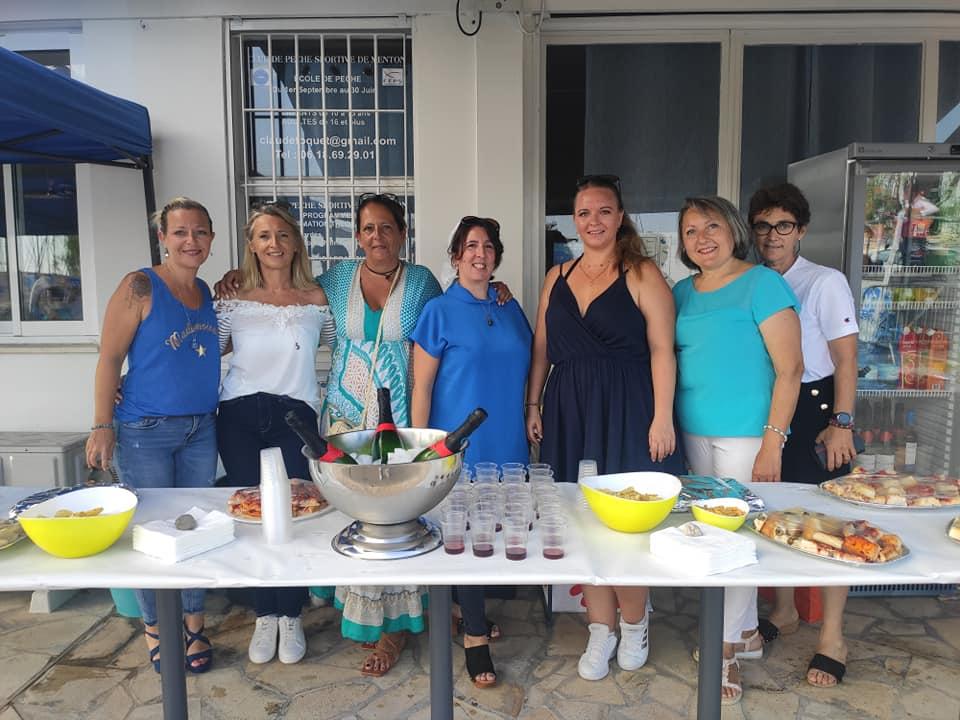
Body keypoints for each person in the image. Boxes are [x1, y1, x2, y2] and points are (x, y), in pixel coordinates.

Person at [525, 174, 685, 682]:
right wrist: (533, 403)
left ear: (620, 217)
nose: (594, 221)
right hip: (568, 409)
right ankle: (601, 629)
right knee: (579, 519)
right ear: (574, 221)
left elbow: (662, 350)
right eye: (584, 212)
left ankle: (635, 624)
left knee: (624, 523)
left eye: (604, 211)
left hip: (627, 407)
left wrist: (662, 417)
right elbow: (541, 349)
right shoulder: (557, 275)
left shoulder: (642, 273)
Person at [672, 195, 803, 705]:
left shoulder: (763, 284)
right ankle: (745, 633)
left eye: (711, 226)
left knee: (735, 537)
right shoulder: (682, 292)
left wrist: (774, 441)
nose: (701, 238)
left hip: (748, 434)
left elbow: (790, 369)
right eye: (690, 231)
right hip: (694, 431)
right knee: (713, 535)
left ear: (732, 230)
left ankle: (723, 648)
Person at [85, 197, 219, 674]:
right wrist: (102, 424)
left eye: (199, 232)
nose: (190, 241)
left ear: (211, 238)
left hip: (201, 428)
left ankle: (194, 624)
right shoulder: (139, 286)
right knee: (150, 533)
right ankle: (157, 629)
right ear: (162, 237)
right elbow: (109, 358)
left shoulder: (205, 291)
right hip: (145, 431)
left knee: (197, 528)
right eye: (180, 232)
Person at [410, 215, 532, 689]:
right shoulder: (439, 311)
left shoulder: (509, 305)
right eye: (471, 246)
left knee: (495, 528)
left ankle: (466, 607)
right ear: (456, 256)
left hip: (509, 437)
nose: (480, 254)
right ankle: (475, 635)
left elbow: (528, 364)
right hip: (461, 440)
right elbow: (422, 386)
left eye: (488, 247)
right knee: (464, 529)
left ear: (497, 256)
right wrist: (422, 447)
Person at [749, 182, 859, 687]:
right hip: (771, 406)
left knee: (829, 523)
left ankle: (833, 637)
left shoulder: (824, 281)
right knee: (777, 516)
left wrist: (841, 423)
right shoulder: (753, 280)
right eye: (763, 226)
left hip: (817, 410)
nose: (772, 235)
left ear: (802, 230)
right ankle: (786, 610)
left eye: (784, 225)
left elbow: (846, 359)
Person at [216, 202, 334, 665]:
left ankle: (291, 614)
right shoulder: (232, 299)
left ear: (297, 243)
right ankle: (265, 613)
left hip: (295, 414)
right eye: (264, 236)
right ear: (251, 245)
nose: (274, 244)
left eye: (283, 235)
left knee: (294, 510)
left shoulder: (317, 299)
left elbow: (342, 345)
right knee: (253, 514)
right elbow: (203, 350)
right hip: (239, 414)